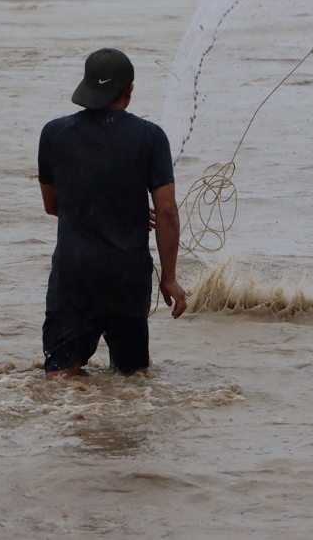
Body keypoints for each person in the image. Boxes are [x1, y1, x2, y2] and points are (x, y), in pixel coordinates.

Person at [37, 47, 186, 380]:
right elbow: (166, 210)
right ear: (129, 90)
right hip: (126, 274)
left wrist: (97, 207)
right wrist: (170, 277)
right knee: (130, 379)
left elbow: (52, 206)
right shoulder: (151, 137)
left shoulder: (53, 134)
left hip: (73, 273)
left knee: (61, 374)